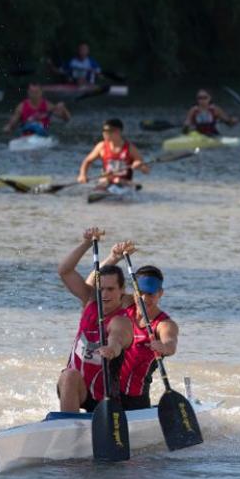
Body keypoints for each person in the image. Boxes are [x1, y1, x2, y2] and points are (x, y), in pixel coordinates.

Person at [56, 228, 135, 412]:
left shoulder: (121, 321)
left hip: (103, 397)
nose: (105, 295)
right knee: (68, 375)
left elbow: (116, 339)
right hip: (75, 387)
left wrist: (111, 349)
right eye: (102, 289)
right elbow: (64, 271)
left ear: (122, 290)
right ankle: (68, 429)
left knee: (70, 376)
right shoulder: (90, 301)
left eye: (111, 289)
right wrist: (86, 243)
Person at [115, 254, 179, 411]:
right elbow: (97, 286)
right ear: (134, 291)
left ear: (160, 294)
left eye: (150, 294)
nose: (144, 299)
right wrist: (114, 257)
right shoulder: (125, 302)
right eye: (140, 292)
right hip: (107, 390)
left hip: (135, 399)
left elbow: (171, 345)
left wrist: (162, 346)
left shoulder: (164, 324)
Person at [78, 118, 148, 192]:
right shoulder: (101, 146)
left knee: (117, 181)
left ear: (118, 132)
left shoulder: (130, 149)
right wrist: (82, 175)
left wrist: (140, 166)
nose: (104, 134)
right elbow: (87, 161)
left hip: (123, 182)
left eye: (108, 131)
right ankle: (102, 191)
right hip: (107, 180)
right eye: (104, 131)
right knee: (104, 180)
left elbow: (146, 170)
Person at [3, 84, 70, 137]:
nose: (34, 94)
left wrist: (63, 109)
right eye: (32, 92)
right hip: (26, 135)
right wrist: (8, 127)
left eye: (36, 92)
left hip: (43, 134)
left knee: (38, 126)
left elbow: (66, 119)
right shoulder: (21, 107)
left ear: (41, 92)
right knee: (30, 126)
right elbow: (12, 123)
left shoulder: (48, 106)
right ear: (28, 92)